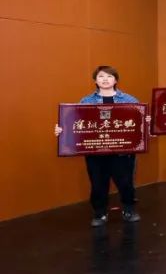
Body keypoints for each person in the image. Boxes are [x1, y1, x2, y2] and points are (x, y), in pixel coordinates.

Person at [54, 66, 144, 226]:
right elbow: (76, 124)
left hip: (123, 152)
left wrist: (147, 122)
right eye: (101, 76)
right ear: (95, 80)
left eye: (109, 76)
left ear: (116, 80)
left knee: (125, 183)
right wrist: (62, 130)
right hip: (95, 152)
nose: (105, 79)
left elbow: (140, 122)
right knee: (98, 184)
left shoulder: (129, 100)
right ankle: (100, 213)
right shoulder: (86, 101)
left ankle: (129, 209)